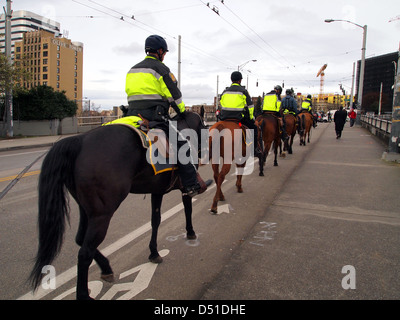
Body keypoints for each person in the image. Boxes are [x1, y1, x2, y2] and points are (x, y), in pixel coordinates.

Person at [125, 34, 206, 197]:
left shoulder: (132, 70)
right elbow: (174, 97)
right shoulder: (161, 69)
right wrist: (182, 111)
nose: (164, 55)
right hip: (154, 117)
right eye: (165, 52)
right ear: (160, 51)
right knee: (183, 145)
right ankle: (191, 185)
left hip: (132, 115)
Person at [220, 71, 262, 157]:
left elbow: (221, 103)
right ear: (240, 80)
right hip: (239, 118)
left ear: (231, 80)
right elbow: (250, 107)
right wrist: (251, 118)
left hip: (224, 117)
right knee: (254, 128)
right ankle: (254, 150)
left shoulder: (225, 91)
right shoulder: (243, 91)